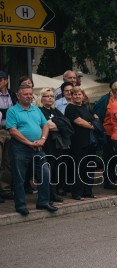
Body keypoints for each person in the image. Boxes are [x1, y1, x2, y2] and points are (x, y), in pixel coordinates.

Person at [6, 85, 57, 215]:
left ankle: (43, 202)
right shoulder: (12, 111)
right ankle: (21, 205)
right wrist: (29, 142)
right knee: (20, 178)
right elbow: (12, 130)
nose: (29, 96)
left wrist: (43, 139)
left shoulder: (36, 109)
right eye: (26, 94)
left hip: (38, 147)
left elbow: (45, 125)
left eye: (30, 94)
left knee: (45, 174)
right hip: (20, 148)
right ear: (18, 96)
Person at [35, 87, 72, 203]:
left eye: (52, 96)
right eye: (47, 96)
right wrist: (59, 124)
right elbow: (48, 126)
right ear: (41, 98)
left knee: (56, 169)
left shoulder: (55, 110)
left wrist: (57, 124)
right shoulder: (39, 110)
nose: (50, 98)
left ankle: (54, 193)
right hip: (46, 144)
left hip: (57, 144)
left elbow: (67, 124)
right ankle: (47, 194)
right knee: (46, 170)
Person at [65, 87, 97, 200]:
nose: (78, 96)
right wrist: (93, 126)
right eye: (75, 94)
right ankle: (77, 193)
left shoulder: (85, 107)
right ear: (72, 96)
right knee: (79, 167)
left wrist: (93, 122)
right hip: (78, 142)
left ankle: (88, 191)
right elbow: (79, 122)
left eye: (80, 94)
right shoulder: (70, 108)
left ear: (83, 96)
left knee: (89, 167)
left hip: (90, 142)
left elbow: (95, 117)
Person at [0, 70, 17, 202]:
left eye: (1, 79)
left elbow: (16, 111)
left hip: (10, 131)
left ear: (6, 81)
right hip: (0, 130)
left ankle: (5, 190)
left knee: (8, 162)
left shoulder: (12, 94)